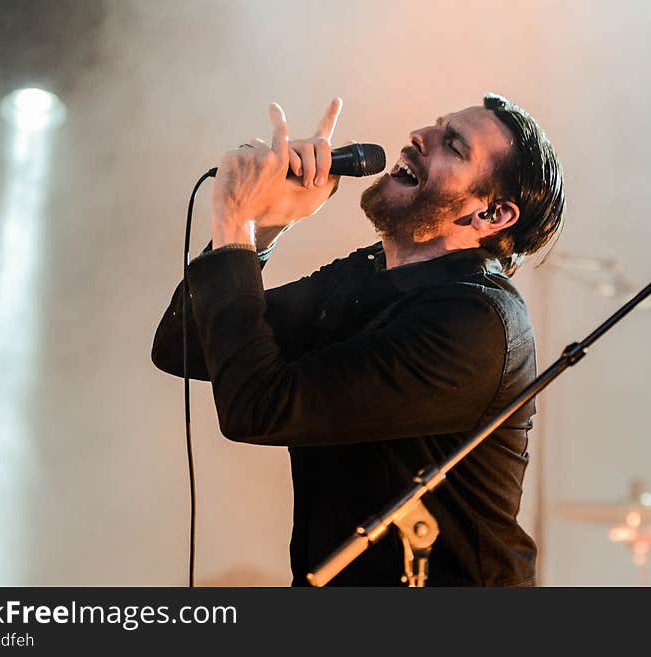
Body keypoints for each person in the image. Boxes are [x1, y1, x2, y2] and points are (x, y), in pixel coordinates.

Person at [152, 93, 564, 586]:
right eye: (436, 125)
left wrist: (232, 219)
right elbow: (183, 344)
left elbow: (258, 408)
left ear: (492, 215)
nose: (420, 135)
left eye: (452, 145)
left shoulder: (478, 322)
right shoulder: (366, 274)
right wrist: (262, 226)